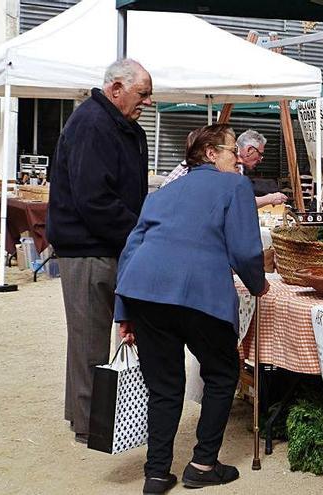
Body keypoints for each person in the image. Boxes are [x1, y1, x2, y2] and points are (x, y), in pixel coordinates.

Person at [115, 124, 269, 493]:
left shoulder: (162, 194)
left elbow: (131, 250)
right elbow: (247, 250)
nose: (239, 160)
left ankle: (156, 473)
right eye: (234, 151)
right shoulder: (234, 186)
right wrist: (257, 283)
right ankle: (202, 464)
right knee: (221, 373)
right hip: (201, 293)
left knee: (163, 385)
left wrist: (124, 311)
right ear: (211, 154)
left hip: (146, 292)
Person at [46, 58, 152, 444]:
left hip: (103, 244)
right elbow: (94, 199)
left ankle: (87, 418)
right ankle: (89, 424)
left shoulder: (115, 123)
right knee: (89, 336)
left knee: (91, 336)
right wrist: (139, 232)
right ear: (117, 89)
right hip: (89, 248)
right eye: (143, 94)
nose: (148, 102)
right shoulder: (93, 124)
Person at [160, 129, 286, 208]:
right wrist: (269, 198)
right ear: (211, 154)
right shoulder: (213, 169)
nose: (261, 159)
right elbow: (239, 203)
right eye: (232, 150)